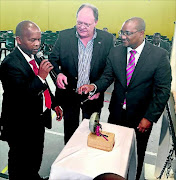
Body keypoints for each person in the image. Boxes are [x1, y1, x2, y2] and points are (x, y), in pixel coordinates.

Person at [78, 17, 171, 179]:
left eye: (128, 33)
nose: (123, 36)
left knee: (136, 154)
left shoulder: (159, 55)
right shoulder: (115, 52)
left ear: (141, 33)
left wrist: (149, 117)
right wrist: (94, 87)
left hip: (140, 118)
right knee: (114, 153)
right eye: (122, 32)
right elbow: (107, 77)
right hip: (116, 114)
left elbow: (162, 90)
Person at [0, 21, 62, 180]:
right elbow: (21, 97)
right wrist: (41, 76)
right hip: (20, 124)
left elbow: (45, 86)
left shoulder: (35, 57)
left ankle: (33, 175)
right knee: (19, 163)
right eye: (32, 40)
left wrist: (53, 104)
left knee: (35, 157)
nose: (37, 44)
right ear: (19, 40)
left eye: (39, 40)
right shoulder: (10, 64)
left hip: (37, 120)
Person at [49, 3, 114, 143]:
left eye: (87, 24)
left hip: (93, 96)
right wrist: (58, 74)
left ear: (96, 22)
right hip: (69, 94)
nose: (82, 27)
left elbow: (109, 71)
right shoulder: (64, 36)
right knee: (70, 132)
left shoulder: (107, 39)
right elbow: (52, 60)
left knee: (90, 133)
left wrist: (97, 87)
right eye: (79, 22)